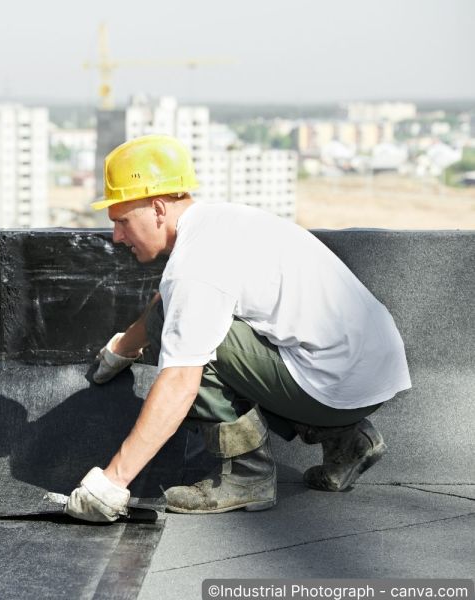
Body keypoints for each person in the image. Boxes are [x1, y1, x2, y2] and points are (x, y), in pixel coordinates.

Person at [64, 135, 411, 522]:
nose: (116, 237)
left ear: (158, 208)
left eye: (122, 221)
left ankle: (247, 476)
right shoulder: (219, 221)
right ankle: (347, 440)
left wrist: (112, 483)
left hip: (335, 387)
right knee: (185, 318)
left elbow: (180, 382)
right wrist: (123, 349)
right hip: (369, 373)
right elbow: (173, 299)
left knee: (187, 340)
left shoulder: (195, 266)